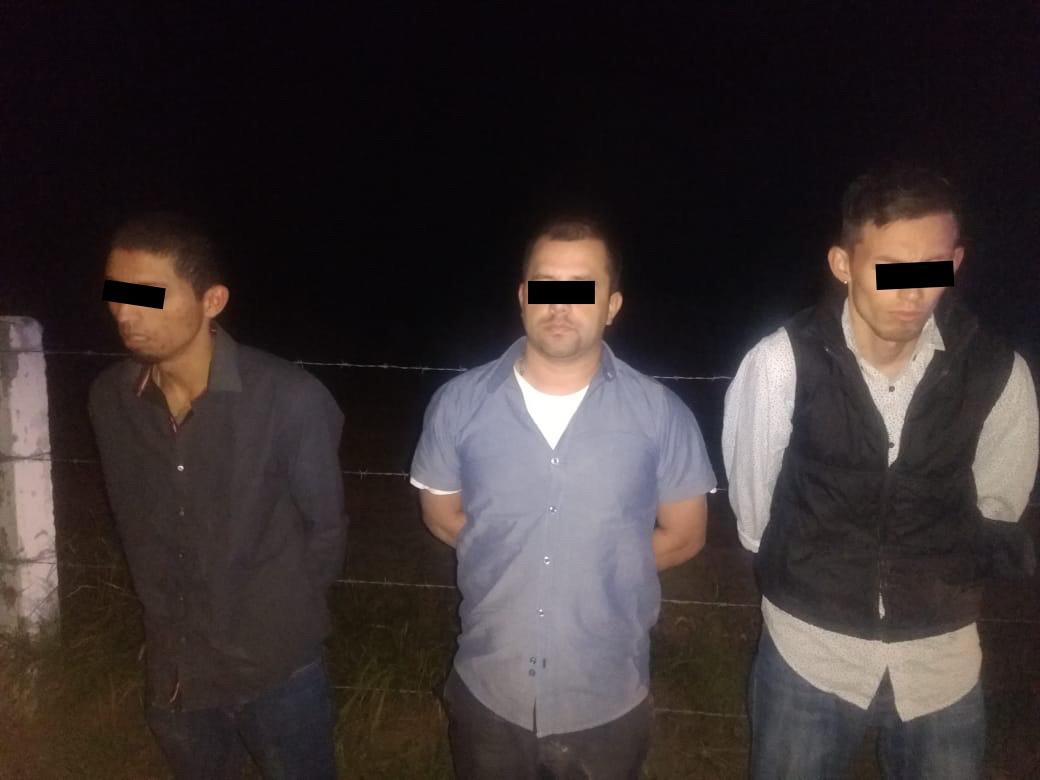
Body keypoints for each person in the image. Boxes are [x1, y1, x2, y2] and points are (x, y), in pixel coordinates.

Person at [722, 166, 1038, 778]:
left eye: (932, 267)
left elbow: (999, 505)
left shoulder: (999, 372)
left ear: (956, 261)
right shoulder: (782, 363)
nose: (912, 292)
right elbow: (754, 509)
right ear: (843, 264)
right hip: (809, 651)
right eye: (890, 268)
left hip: (942, 662)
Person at [410, 216, 717, 779]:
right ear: (523, 296)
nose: (560, 304)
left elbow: (685, 534)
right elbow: (441, 515)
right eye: (546, 286)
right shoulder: (457, 404)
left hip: (608, 697)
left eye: (581, 288)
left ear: (612, 305)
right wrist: (518, 553)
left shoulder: (661, 415)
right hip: (488, 692)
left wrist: (598, 561)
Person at [87, 212, 347, 779]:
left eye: (147, 295)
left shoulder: (289, 399)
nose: (125, 313)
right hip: (175, 666)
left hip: (276, 669)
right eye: (116, 293)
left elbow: (325, 531)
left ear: (213, 301)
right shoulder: (112, 400)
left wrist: (278, 620)